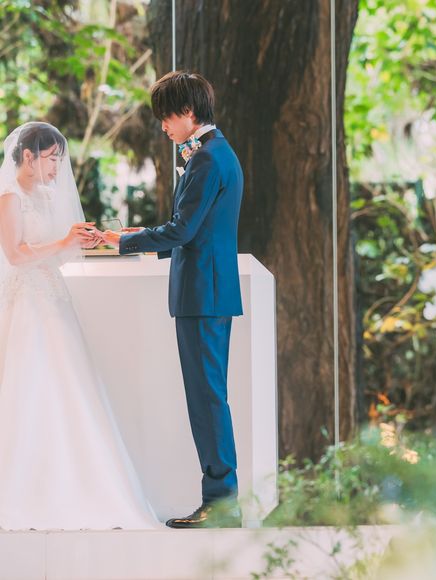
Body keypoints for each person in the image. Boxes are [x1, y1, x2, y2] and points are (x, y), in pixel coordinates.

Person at [0, 122, 159, 530]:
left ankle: (78, 486)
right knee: (28, 384)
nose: (57, 168)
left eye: (59, 159)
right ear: (29, 157)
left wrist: (77, 242)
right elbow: (15, 255)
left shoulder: (45, 195)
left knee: (70, 384)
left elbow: (51, 254)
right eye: (52, 159)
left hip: (53, 297)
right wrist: (63, 242)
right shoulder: (10, 197)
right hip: (28, 302)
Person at [103, 71, 244, 528]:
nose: (163, 126)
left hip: (203, 294)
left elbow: (183, 230)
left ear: (187, 112)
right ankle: (221, 500)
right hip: (208, 292)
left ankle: (222, 504)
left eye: (166, 116)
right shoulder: (215, 153)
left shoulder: (207, 158)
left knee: (207, 401)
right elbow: (194, 229)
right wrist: (140, 235)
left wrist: (124, 241)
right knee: (209, 398)